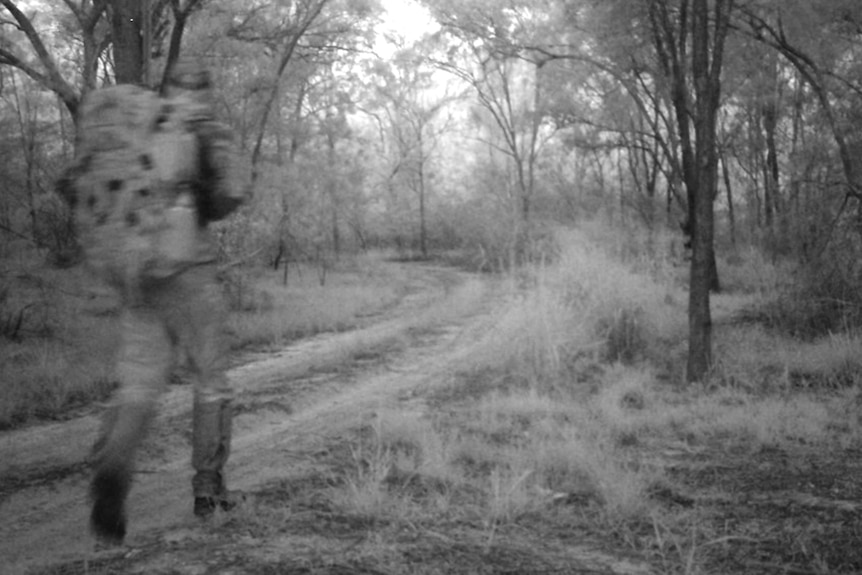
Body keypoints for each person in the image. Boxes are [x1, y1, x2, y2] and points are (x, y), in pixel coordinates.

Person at [59, 59, 248, 545]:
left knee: (140, 383)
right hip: (189, 270)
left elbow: (78, 187)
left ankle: (112, 472)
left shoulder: (136, 126)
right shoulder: (202, 130)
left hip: (136, 272)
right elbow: (229, 196)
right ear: (203, 90)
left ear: (164, 88)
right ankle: (209, 490)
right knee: (211, 379)